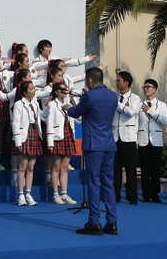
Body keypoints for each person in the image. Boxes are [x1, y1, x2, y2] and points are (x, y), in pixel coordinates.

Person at [67, 67, 118, 235]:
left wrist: (67, 107)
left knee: (94, 183)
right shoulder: (112, 96)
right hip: (109, 144)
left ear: (89, 81)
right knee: (108, 183)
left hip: (93, 145)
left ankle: (94, 221)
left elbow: (75, 112)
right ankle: (112, 222)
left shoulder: (89, 96)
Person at [44, 82, 78, 205]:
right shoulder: (52, 105)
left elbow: (77, 119)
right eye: (62, 89)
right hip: (57, 138)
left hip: (68, 136)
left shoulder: (67, 105)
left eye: (65, 89)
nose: (65, 91)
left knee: (64, 168)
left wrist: (73, 108)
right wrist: (50, 142)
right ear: (56, 92)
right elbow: (50, 123)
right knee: (56, 167)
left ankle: (64, 193)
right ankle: (55, 194)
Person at [11, 80, 43, 206]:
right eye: (31, 89)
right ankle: (20, 195)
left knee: (31, 167)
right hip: (24, 135)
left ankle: (28, 194)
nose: (33, 90)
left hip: (34, 133)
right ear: (24, 92)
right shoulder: (19, 104)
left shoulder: (35, 104)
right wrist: (17, 140)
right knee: (22, 167)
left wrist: (45, 107)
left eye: (34, 88)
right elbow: (16, 123)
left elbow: (41, 118)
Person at [137, 78, 167, 203]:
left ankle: (155, 193)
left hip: (156, 140)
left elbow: (165, 121)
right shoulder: (139, 105)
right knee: (144, 169)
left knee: (155, 168)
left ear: (154, 89)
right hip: (143, 139)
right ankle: (145, 194)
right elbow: (136, 123)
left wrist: (151, 111)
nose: (146, 89)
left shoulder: (161, 105)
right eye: (144, 87)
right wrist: (135, 140)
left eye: (148, 87)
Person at [113, 71, 140, 205]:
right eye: (116, 81)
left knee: (130, 169)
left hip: (129, 138)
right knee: (115, 169)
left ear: (126, 83)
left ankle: (132, 196)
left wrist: (118, 104)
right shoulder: (114, 97)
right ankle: (115, 195)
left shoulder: (135, 98)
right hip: (115, 137)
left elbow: (131, 112)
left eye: (119, 81)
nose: (117, 83)